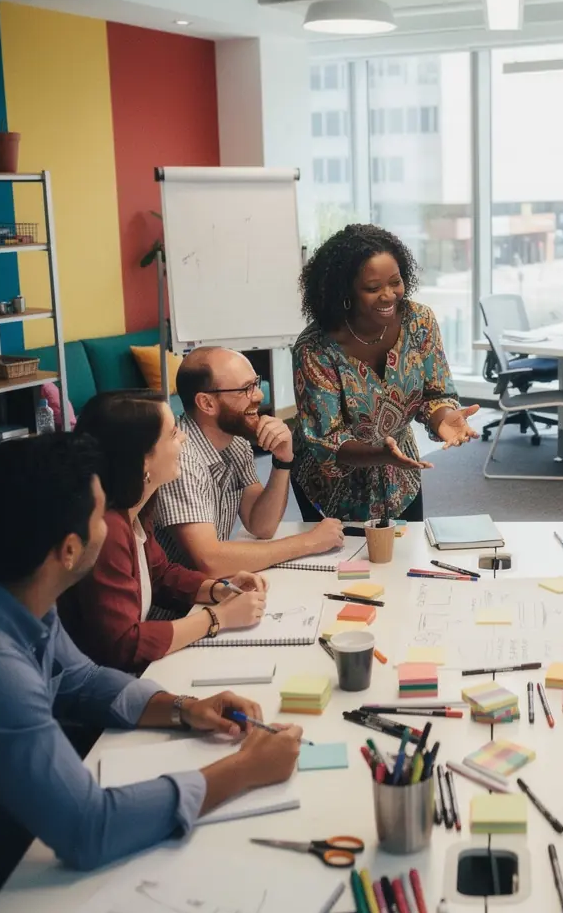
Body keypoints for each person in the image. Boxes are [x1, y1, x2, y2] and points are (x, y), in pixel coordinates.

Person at [0, 435, 302, 913]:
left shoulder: (18, 591)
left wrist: (185, 709)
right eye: (99, 514)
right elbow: (87, 827)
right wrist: (244, 770)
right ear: (69, 550)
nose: (108, 528)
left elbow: (80, 680)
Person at [59, 392, 267, 673]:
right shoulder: (106, 530)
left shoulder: (134, 507)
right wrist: (217, 618)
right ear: (143, 460)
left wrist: (220, 589)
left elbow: (161, 574)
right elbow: (124, 645)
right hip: (105, 689)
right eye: (172, 434)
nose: (182, 439)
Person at [291, 224, 480, 522]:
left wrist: (444, 418)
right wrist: (381, 454)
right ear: (345, 291)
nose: (388, 295)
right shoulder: (315, 348)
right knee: (345, 565)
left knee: (406, 559)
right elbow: (327, 441)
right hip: (330, 487)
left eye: (395, 282)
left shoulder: (419, 322)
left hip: (401, 473)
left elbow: (436, 393)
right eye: (372, 288)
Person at [154, 347, 344, 573]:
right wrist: (309, 542)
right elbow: (210, 561)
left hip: (211, 592)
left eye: (256, 383)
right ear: (207, 403)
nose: (259, 395)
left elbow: (261, 525)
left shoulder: (235, 443)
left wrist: (283, 459)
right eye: (246, 388)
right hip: (179, 606)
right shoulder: (181, 458)